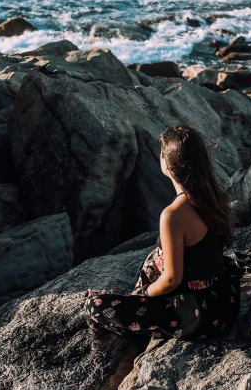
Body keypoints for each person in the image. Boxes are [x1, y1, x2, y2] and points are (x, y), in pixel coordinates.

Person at [84, 124, 239, 341]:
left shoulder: (173, 215)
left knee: (96, 306)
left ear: (167, 162)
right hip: (224, 300)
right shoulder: (214, 195)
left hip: (198, 316)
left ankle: (141, 333)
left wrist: (145, 295)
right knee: (156, 256)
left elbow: (171, 280)